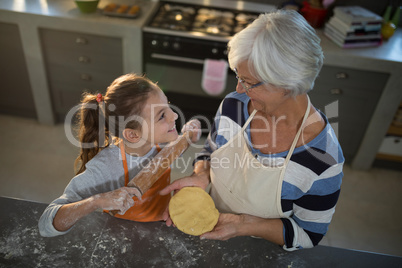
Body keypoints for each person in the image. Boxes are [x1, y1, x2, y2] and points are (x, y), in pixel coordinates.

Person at [160, 10, 344, 251]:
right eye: (238, 76)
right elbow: (210, 152)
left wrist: (244, 225)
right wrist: (201, 175)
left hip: (260, 252)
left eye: (249, 82)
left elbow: (308, 234)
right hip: (211, 234)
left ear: (287, 84)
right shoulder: (234, 106)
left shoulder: (324, 159)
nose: (238, 88)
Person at [39, 73, 200, 237]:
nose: (175, 115)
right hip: (119, 235)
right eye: (161, 116)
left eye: (168, 105)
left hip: (161, 225)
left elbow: (177, 148)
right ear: (133, 135)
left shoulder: (164, 142)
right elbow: (46, 224)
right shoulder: (106, 168)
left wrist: (191, 133)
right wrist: (97, 200)